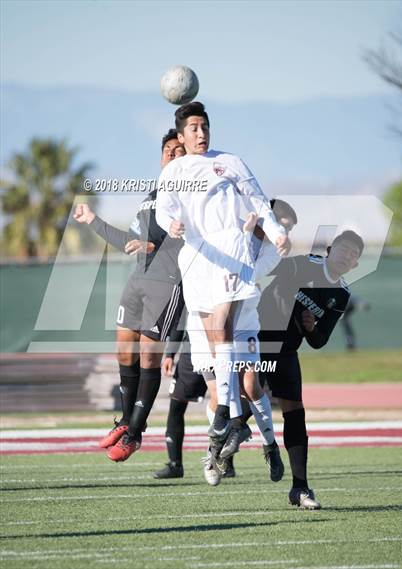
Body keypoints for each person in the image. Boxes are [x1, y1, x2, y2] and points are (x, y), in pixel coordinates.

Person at [155, 102, 291, 464]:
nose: (201, 134)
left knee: (222, 329)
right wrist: (171, 224)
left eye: (205, 126)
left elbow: (258, 200)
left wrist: (276, 232)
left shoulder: (230, 161)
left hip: (231, 250)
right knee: (212, 343)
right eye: (194, 129)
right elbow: (162, 208)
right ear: (181, 136)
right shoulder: (174, 171)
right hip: (197, 258)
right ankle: (233, 419)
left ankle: (224, 418)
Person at [154, 200, 297, 485]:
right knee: (218, 395)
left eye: (287, 228)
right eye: (279, 223)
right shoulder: (215, 233)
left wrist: (244, 238)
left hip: (242, 322)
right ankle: (216, 450)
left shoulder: (270, 251)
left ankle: (270, 446)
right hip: (204, 324)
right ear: (264, 215)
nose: (281, 232)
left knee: (250, 385)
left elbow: (247, 273)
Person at [73, 129, 185, 462]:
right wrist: (93, 220)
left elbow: (196, 238)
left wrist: (157, 245)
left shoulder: (192, 196)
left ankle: (135, 432)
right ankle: (125, 421)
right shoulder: (151, 196)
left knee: (150, 357)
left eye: (180, 152)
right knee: (124, 349)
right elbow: (130, 243)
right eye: (169, 151)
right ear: (161, 156)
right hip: (138, 280)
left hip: (166, 283)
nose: (173, 156)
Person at [258, 229, 364, 509]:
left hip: (287, 350)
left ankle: (300, 488)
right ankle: (225, 448)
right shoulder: (305, 263)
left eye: (353, 255)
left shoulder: (341, 294)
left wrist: (310, 327)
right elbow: (268, 268)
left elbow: (319, 342)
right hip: (257, 340)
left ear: (356, 265)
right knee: (245, 403)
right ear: (330, 250)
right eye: (343, 249)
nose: (347, 256)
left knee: (296, 414)